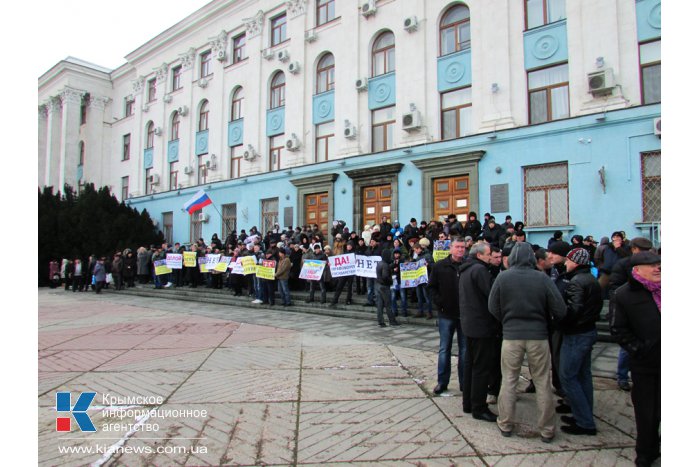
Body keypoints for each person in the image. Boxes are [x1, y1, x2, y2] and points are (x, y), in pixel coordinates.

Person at [488, 242, 567, 442]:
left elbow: (492, 306)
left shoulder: (503, 277)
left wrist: (506, 320)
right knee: (542, 382)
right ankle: (547, 429)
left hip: (511, 336)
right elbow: (560, 309)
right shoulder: (542, 278)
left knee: (509, 380)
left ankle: (505, 423)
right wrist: (545, 319)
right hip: (538, 336)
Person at [610, 251, 661, 467]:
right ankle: (645, 452)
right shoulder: (624, 294)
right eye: (652, 265)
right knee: (647, 411)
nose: (658, 268)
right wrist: (638, 350)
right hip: (646, 363)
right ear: (637, 269)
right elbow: (618, 328)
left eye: (659, 264)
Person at [558, 248, 603, 436]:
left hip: (577, 334)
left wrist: (560, 320)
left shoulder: (577, 282)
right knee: (583, 375)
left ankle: (584, 421)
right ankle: (583, 414)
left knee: (568, 375)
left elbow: (573, 310)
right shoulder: (591, 280)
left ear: (575, 262)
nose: (565, 263)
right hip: (588, 331)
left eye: (568, 260)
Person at [608, 237, 655, 392]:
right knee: (627, 349)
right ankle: (622, 376)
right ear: (634, 249)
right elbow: (614, 286)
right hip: (630, 311)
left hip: (649, 320)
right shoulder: (624, 264)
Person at [459, 242, 499, 422]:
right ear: (479, 255)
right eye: (489, 253)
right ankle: (479, 407)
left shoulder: (466, 269)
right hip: (481, 325)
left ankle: (468, 402)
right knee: (481, 368)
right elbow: (492, 296)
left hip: (470, 324)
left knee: (471, 366)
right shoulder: (480, 271)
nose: (491, 256)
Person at [428, 236, 467, 395]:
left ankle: (465, 382)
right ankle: (442, 382)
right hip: (446, 314)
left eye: (462, 247)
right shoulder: (440, 266)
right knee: (445, 349)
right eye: (457, 247)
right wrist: (440, 303)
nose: (460, 250)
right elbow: (431, 288)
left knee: (465, 351)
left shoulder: (469, 265)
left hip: (465, 314)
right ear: (450, 248)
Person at [375, 250, 400, 327]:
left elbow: (385, 270)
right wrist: (390, 281)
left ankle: (381, 321)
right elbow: (385, 276)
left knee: (380, 305)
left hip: (378, 285)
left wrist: (392, 266)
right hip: (384, 286)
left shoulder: (380, 263)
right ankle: (392, 321)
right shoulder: (385, 265)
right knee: (388, 304)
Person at [328, 241, 356, 307]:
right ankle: (334, 300)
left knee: (349, 287)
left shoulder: (354, 253)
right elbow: (338, 261)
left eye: (350, 245)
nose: (348, 246)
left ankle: (348, 300)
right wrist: (331, 264)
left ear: (352, 246)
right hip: (343, 273)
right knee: (339, 286)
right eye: (348, 245)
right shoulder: (344, 253)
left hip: (350, 273)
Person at [411, 241, 434, 319]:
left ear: (419, 249)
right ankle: (420, 311)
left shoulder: (428, 255)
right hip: (418, 280)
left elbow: (433, 266)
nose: (415, 252)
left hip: (425, 280)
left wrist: (428, 265)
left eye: (415, 250)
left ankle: (429, 312)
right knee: (419, 296)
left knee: (427, 297)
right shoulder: (417, 257)